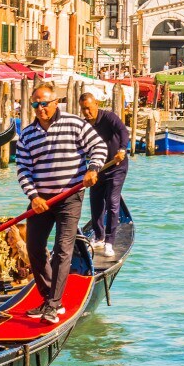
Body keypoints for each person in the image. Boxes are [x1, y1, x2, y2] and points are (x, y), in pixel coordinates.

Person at [16, 85, 106, 324]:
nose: (40, 109)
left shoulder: (74, 124)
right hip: (40, 201)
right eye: (35, 105)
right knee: (34, 248)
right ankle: (48, 298)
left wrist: (93, 168)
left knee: (62, 249)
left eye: (44, 104)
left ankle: (54, 306)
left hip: (70, 197)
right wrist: (34, 196)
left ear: (56, 102)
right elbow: (23, 169)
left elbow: (99, 147)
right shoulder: (27, 135)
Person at [79, 92, 130, 259]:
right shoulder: (85, 126)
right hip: (98, 169)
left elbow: (123, 131)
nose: (86, 112)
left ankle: (109, 241)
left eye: (89, 108)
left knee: (112, 202)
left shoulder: (108, 117)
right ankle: (99, 237)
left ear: (96, 105)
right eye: (83, 109)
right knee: (95, 203)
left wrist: (122, 149)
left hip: (117, 166)